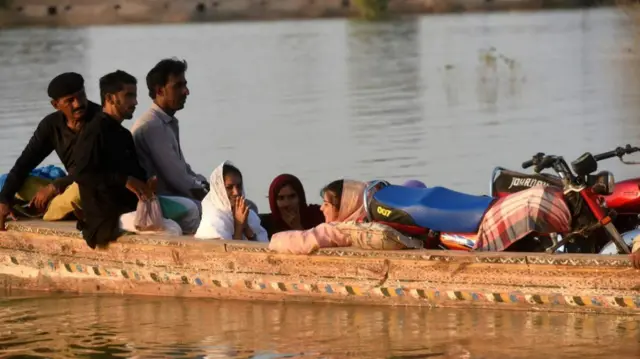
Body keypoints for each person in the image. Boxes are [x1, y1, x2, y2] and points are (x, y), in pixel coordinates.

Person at [72, 70, 183, 249]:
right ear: (110, 98)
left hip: (132, 208)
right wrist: (124, 180)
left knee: (191, 212)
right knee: (172, 230)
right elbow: (82, 174)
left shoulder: (123, 134)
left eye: (135, 96)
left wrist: (147, 186)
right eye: (129, 96)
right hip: (108, 217)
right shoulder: (93, 132)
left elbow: (134, 174)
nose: (135, 102)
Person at [0, 72, 101, 230]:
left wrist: (55, 187)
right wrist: (4, 200)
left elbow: (95, 168)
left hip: (92, 187)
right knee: (18, 182)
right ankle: (54, 208)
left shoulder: (101, 121)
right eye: (70, 101)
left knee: (80, 191)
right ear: (56, 105)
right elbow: (24, 163)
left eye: (81, 96)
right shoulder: (50, 125)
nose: (78, 104)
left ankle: (43, 211)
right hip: (66, 189)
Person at [131, 58, 208, 205]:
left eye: (185, 85)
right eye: (178, 86)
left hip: (176, 196)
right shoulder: (152, 126)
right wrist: (209, 195)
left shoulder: (166, 121)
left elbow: (184, 171)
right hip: (160, 201)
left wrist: (207, 184)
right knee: (226, 212)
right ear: (160, 90)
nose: (186, 91)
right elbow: (177, 178)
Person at [268, 179, 367, 254]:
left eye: (326, 204)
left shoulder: (337, 230)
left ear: (345, 207)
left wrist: (273, 240)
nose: (321, 208)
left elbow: (301, 241)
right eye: (281, 198)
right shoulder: (367, 225)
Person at [194, 161, 267, 242]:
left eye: (239, 186)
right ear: (218, 190)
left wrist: (246, 227)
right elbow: (231, 253)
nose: (236, 192)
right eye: (229, 187)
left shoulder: (248, 215)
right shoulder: (213, 222)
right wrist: (239, 226)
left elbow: (263, 247)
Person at [260, 174, 325, 239]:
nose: (287, 203)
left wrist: (297, 227)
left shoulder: (317, 215)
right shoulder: (265, 224)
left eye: (292, 196)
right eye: (281, 198)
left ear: (300, 197)